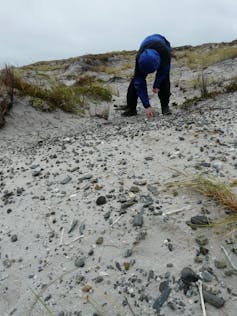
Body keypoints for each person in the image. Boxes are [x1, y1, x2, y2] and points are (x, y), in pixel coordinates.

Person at [122, 34, 172, 118]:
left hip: (162, 43)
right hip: (146, 44)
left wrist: (157, 84)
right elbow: (139, 83)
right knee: (136, 81)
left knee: (164, 79)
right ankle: (131, 108)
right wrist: (147, 106)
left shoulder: (165, 54)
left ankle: (165, 107)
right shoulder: (139, 57)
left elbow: (163, 71)